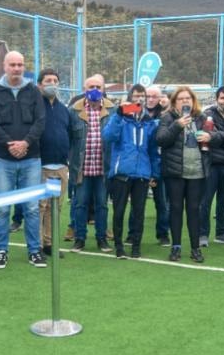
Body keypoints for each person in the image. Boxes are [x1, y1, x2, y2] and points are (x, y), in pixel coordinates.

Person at [0, 51, 46, 269]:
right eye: (13, 64)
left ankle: (34, 251)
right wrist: (10, 143)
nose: (17, 68)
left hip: (31, 159)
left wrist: (25, 143)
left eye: (20, 64)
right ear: (4, 66)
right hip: (3, 159)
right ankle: (1, 251)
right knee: (1, 209)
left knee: (31, 208)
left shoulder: (34, 91)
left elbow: (40, 121)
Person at [156, 87, 217, 263]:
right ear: (174, 102)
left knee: (194, 210)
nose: (185, 101)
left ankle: (195, 248)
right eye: (181, 99)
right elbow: (160, 139)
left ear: (193, 100)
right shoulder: (167, 118)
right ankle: (176, 247)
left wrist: (209, 137)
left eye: (188, 98)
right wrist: (177, 125)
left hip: (197, 171)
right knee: (175, 208)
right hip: (175, 172)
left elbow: (220, 137)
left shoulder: (201, 117)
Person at [103, 84, 161, 259]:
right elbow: (108, 136)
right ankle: (119, 246)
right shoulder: (120, 118)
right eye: (136, 96)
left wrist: (155, 173)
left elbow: (153, 150)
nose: (139, 99)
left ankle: (136, 245)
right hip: (122, 172)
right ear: (130, 98)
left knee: (139, 211)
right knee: (119, 210)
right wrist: (119, 115)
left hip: (142, 173)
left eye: (142, 96)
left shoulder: (149, 123)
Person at [69, 75, 115, 253]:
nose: (94, 90)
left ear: (103, 89)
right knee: (80, 203)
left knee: (102, 205)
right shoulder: (73, 110)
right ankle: (79, 238)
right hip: (82, 168)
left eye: (97, 86)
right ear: (84, 89)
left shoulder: (113, 110)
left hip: (104, 168)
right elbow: (68, 138)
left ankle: (102, 238)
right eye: (90, 86)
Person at [36, 68, 76, 256]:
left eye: (55, 80)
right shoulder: (35, 107)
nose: (52, 84)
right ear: (39, 85)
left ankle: (49, 244)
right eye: (47, 80)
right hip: (41, 166)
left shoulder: (63, 110)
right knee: (40, 207)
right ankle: (36, 246)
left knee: (55, 207)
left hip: (61, 167)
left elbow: (69, 135)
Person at [200, 86, 224, 246]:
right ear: (217, 99)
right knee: (205, 201)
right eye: (222, 98)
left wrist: (219, 137)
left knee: (223, 201)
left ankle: (221, 233)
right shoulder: (207, 114)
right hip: (211, 164)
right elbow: (207, 137)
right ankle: (202, 235)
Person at [144, 85, 171, 246]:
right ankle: (133, 234)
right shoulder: (136, 111)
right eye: (148, 96)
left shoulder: (166, 114)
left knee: (162, 202)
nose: (151, 99)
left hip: (161, 163)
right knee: (137, 203)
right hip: (141, 163)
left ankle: (163, 234)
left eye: (155, 96)